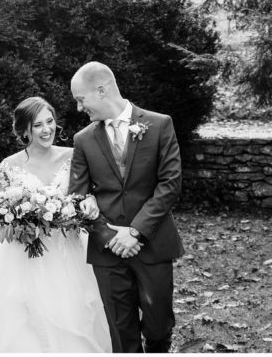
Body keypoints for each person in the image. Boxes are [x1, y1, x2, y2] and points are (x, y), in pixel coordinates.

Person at [0, 96, 112, 352]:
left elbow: (89, 193)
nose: (47, 129)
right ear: (25, 130)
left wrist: (89, 203)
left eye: (50, 121)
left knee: (74, 314)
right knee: (22, 324)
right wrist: (17, 222)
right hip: (23, 257)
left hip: (68, 252)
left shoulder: (74, 157)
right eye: (38, 125)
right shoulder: (8, 167)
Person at [69, 62, 185, 353]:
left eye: (81, 100)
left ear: (102, 90)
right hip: (107, 254)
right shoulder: (83, 140)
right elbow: (76, 198)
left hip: (153, 243)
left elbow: (170, 184)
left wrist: (135, 232)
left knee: (159, 328)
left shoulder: (160, 124)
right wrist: (109, 237)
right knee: (121, 334)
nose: (80, 108)